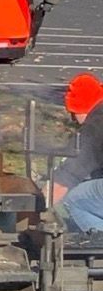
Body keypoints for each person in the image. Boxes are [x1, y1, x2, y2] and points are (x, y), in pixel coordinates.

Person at [53, 73, 103, 233]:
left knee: (74, 198)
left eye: (73, 113)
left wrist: (39, 207)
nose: (73, 120)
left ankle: (98, 247)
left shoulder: (95, 124)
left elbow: (67, 177)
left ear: (80, 108)